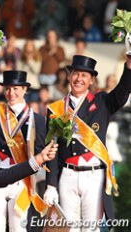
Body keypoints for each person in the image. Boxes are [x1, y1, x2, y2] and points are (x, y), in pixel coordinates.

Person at [43, 51, 131, 231]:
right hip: (67, 176)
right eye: (75, 73)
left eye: (84, 75)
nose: (78, 78)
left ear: (91, 80)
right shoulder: (56, 109)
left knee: (92, 229)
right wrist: (50, 184)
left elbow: (122, 92)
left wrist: (129, 66)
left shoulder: (102, 102)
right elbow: (52, 149)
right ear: (68, 76)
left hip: (93, 176)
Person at [0, 51, 47, 231]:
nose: (11, 93)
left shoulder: (36, 119)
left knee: (18, 229)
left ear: (25, 90)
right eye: (7, 89)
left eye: (15, 89)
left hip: (21, 181)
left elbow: (39, 152)